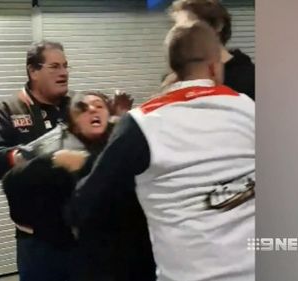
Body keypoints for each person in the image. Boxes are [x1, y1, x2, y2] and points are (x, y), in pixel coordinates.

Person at [69, 22, 255, 281]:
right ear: (214, 66)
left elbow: (88, 202)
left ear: (173, 69)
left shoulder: (142, 123)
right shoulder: (248, 108)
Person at [0, 40, 135, 281]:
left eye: (66, 66)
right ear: (33, 71)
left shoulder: (76, 106)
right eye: (55, 66)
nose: (63, 73)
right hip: (37, 243)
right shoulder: (11, 108)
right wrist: (22, 155)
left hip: (80, 236)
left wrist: (115, 121)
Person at [2, 91, 155, 281]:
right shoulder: (55, 146)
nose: (92, 109)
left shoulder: (120, 143)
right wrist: (51, 161)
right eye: (82, 108)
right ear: (72, 122)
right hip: (50, 248)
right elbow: (12, 183)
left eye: (99, 106)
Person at [167, 0, 255, 100]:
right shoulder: (173, 80)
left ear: (218, 26)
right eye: (176, 28)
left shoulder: (251, 78)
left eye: (188, 26)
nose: (179, 35)